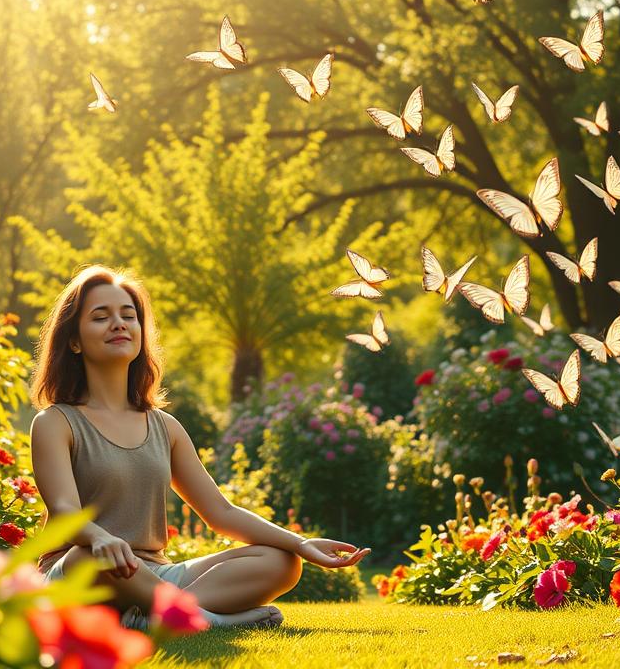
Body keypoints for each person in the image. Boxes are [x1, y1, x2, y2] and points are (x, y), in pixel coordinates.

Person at [29, 265, 369, 630]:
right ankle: (200, 619)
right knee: (88, 558)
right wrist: (99, 538)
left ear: (141, 333)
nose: (119, 323)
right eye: (101, 316)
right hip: (84, 575)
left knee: (282, 562)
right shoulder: (55, 422)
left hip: (153, 576)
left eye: (129, 315)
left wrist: (300, 544)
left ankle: (156, 616)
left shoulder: (165, 427)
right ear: (74, 341)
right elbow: (65, 510)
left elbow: (220, 511)